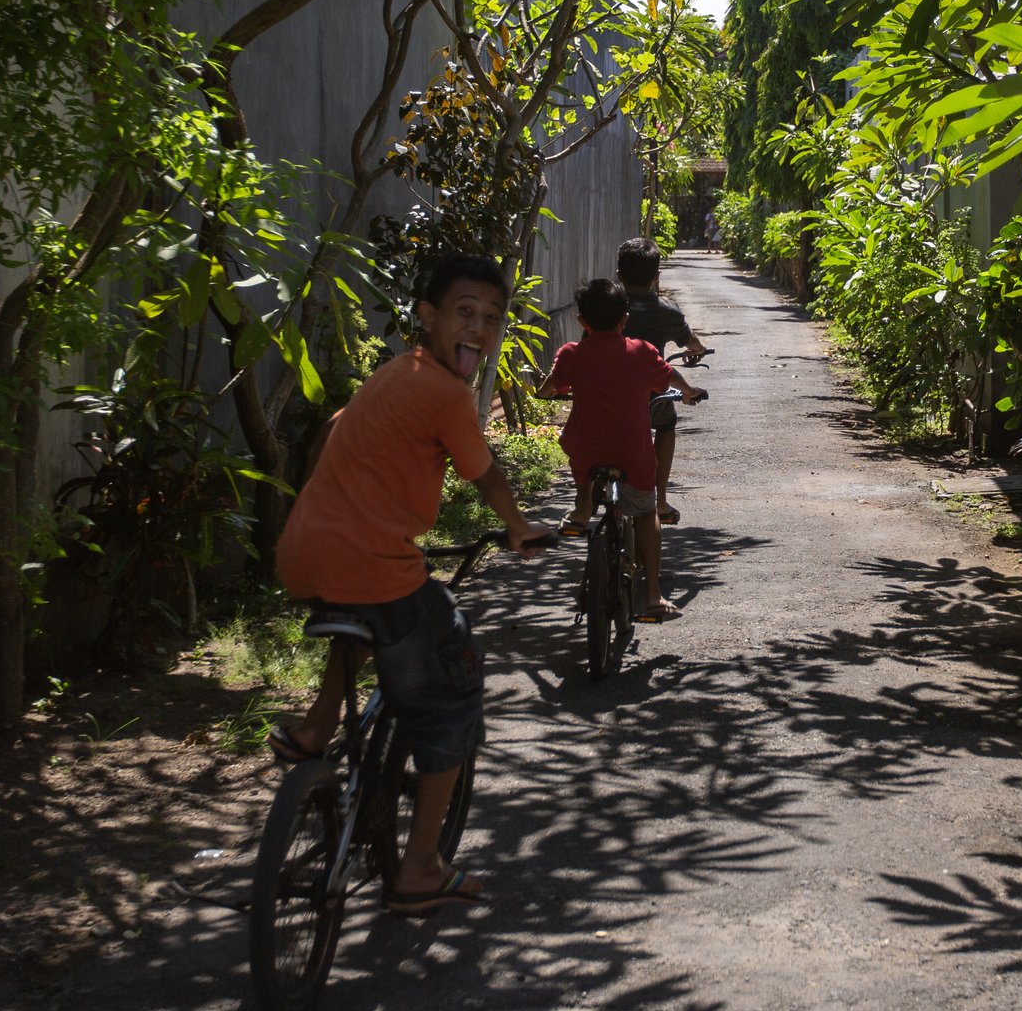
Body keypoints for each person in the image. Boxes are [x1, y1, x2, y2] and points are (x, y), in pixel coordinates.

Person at [271, 253, 549, 916]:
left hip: (305, 553)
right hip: (373, 564)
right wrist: (518, 526)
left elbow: (336, 430)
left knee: (370, 622)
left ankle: (314, 730)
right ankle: (420, 866)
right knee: (450, 690)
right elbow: (483, 473)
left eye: (491, 317)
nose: (479, 327)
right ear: (429, 316)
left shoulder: (395, 371)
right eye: (465, 312)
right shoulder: (447, 393)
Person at [537, 277, 706, 620]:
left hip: (586, 448)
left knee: (580, 448)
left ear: (581, 321)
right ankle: (654, 597)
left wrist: (550, 391)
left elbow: (548, 388)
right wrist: (688, 391)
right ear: (624, 319)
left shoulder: (571, 354)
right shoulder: (642, 352)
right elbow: (669, 375)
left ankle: (582, 507)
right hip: (631, 451)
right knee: (645, 513)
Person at [615, 236, 707, 524]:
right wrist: (699, 350)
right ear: (656, 277)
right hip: (651, 395)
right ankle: (661, 500)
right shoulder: (667, 311)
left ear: (618, 275)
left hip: (606, 392)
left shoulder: (608, 307)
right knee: (666, 425)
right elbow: (690, 342)